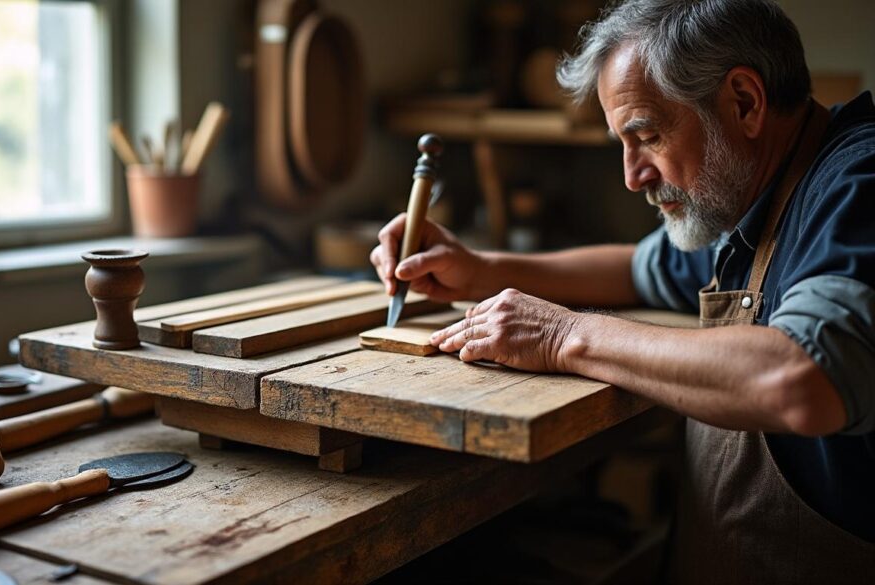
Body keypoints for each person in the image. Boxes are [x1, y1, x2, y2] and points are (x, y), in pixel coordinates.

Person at [371, 0, 875, 582]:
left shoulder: (855, 184)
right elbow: (639, 268)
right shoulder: (750, 196)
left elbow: (806, 378)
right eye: (623, 144)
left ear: (744, 102)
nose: (633, 176)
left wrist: (564, 336)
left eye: (648, 136)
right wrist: (476, 268)